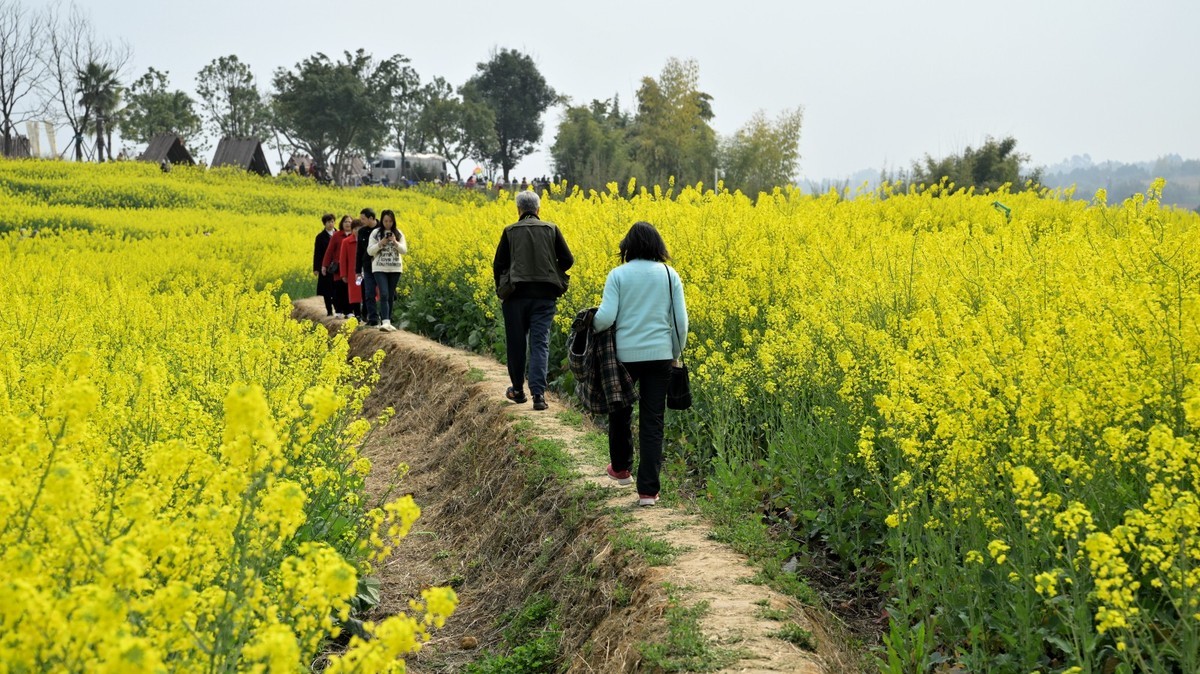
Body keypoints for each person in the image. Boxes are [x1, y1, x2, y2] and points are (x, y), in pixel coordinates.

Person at [591, 221, 688, 507]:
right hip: (660, 356)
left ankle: (621, 470)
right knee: (652, 420)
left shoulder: (618, 275)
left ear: (628, 247)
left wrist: (589, 326)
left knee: (619, 410)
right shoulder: (670, 275)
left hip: (625, 357)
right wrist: (675, 352)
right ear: (658, 246)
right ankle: (648, 491)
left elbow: (606, 317)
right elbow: (680, 323)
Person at [492, 190, 573, 411]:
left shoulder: (509, 231)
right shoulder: (551, 229)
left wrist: (502, 288)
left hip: (515, 296)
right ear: (538, 209)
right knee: (540, 344)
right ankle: (538, 395)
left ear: (518, 209)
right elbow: (568, 260)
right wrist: (550, 269)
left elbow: (498, 264)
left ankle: (517, 391)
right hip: (545, 296)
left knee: (517, 343)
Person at [367, 209, 407, 332]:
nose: (388, 223)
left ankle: (388, 321)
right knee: (383, 293)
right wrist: (381, 243)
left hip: (395, 268)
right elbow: (370, 251)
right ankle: (385, 321)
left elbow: (404, 250)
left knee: (390, 294)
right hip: (379, 267)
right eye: (385, 221)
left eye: (390, 221)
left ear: (393, 221)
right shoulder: (376, 233)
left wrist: (394, 242)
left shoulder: (398, 233)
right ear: (382, 220)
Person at [355, 208, 380, 326]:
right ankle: (373, 318)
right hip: (368, 266)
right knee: (369, 293)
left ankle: (387, 317)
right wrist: (357, 270)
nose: (361, 221)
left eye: (363, 219)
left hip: (382, 266)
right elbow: (359, 252)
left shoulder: (382, 229)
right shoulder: (362, 232)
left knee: (386, 293)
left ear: (371, 218)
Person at [313, 213, 338, 316]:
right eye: (328, 222)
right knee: (327, 291)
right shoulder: (320, 237)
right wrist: (316, 268)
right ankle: (329, 311)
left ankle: (338, 309)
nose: (331, 224)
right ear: (324, 223)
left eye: (332, 221)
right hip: (326, 267)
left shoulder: (338, 234)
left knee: (337, 289)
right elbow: (317, 253)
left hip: (337, 267)